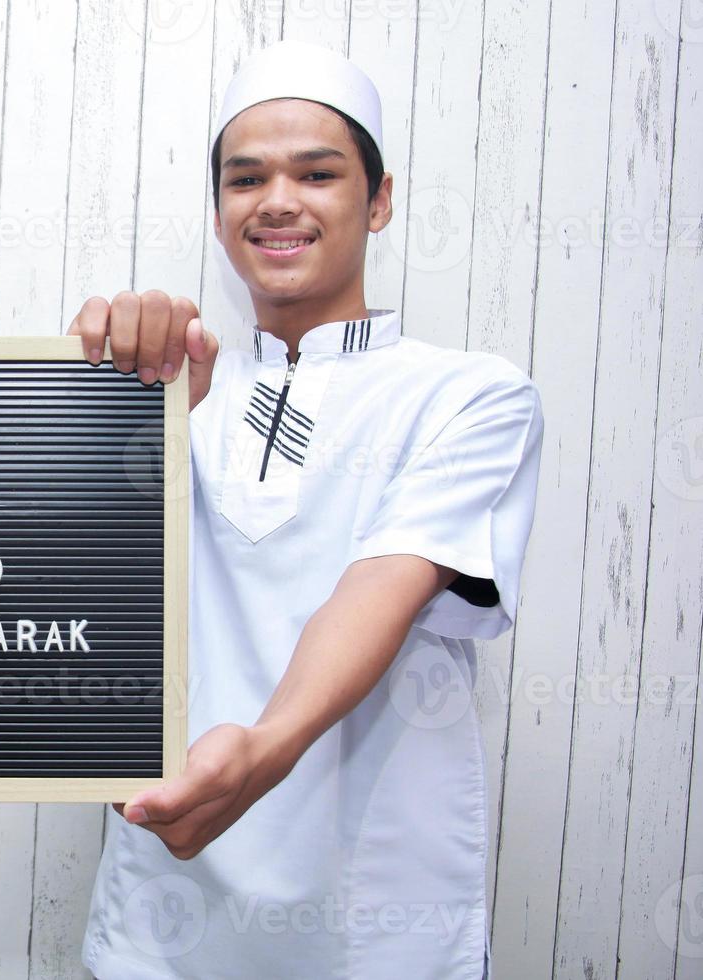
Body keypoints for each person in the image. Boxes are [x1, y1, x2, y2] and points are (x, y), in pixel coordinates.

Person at [70, 41, 543, 978]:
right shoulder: (171, 391)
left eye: (317, 173)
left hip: (376, 915)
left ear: (379, 199)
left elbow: (380, 584)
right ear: (218, 214)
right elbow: (57, 583)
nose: (277, 199)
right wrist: (119, 406)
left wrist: (262, 751)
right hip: (166, 901)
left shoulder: (472, 397)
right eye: (246, 178)